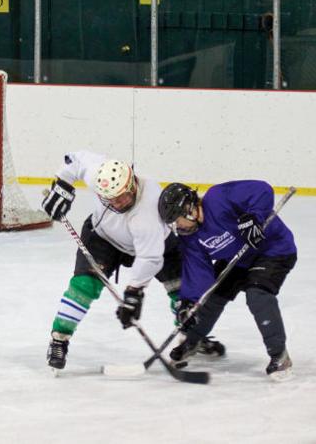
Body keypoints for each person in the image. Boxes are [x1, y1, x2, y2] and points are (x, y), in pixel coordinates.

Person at [40, 151, 225, 371]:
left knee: (183, 291)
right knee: (83, 286)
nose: (118, 204)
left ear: (132, 184)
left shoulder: (149, 211)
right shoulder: (102, 175)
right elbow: (74, 160)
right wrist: (63, 187)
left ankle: (192, 338)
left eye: (123, 197)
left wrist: (133, 293)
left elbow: (150, 258)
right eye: (111, 199)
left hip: (158, 246)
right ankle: (59, 339)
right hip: (103, 238)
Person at [158, 181, 297, 380]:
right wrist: (188, 303)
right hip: (237, 260)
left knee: (257, 294)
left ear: (189, 209)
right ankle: (192, 341)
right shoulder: (190, 238)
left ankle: (279, 356)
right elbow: (198, 272)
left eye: (178, 220)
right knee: (212, 297)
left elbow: (262, 190)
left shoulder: (218, 198)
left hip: (274, 250)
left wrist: (253, 217)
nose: (177, 227)